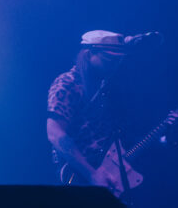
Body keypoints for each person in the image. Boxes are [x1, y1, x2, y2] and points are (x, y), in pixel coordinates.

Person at [46, 29, 169, 195]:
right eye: (109, 59)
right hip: (82, 176)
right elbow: (54, 133)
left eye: (119, 60)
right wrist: (91, 173)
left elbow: (114, 137)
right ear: (89, 54)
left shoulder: (105, 88)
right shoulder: (67, 83)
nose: (115, 65)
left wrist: (160, 138)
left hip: (110, 175)